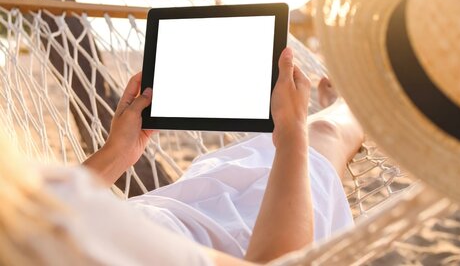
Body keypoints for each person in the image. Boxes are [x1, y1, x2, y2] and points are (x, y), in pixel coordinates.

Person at [0, 46, 363, 265]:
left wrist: (117, 152)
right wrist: (291, 131)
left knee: (226, 165)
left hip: (177, 208)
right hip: (236, 236)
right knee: (323, 134)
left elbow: (38, 210)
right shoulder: (84, 247)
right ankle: (350, 106)